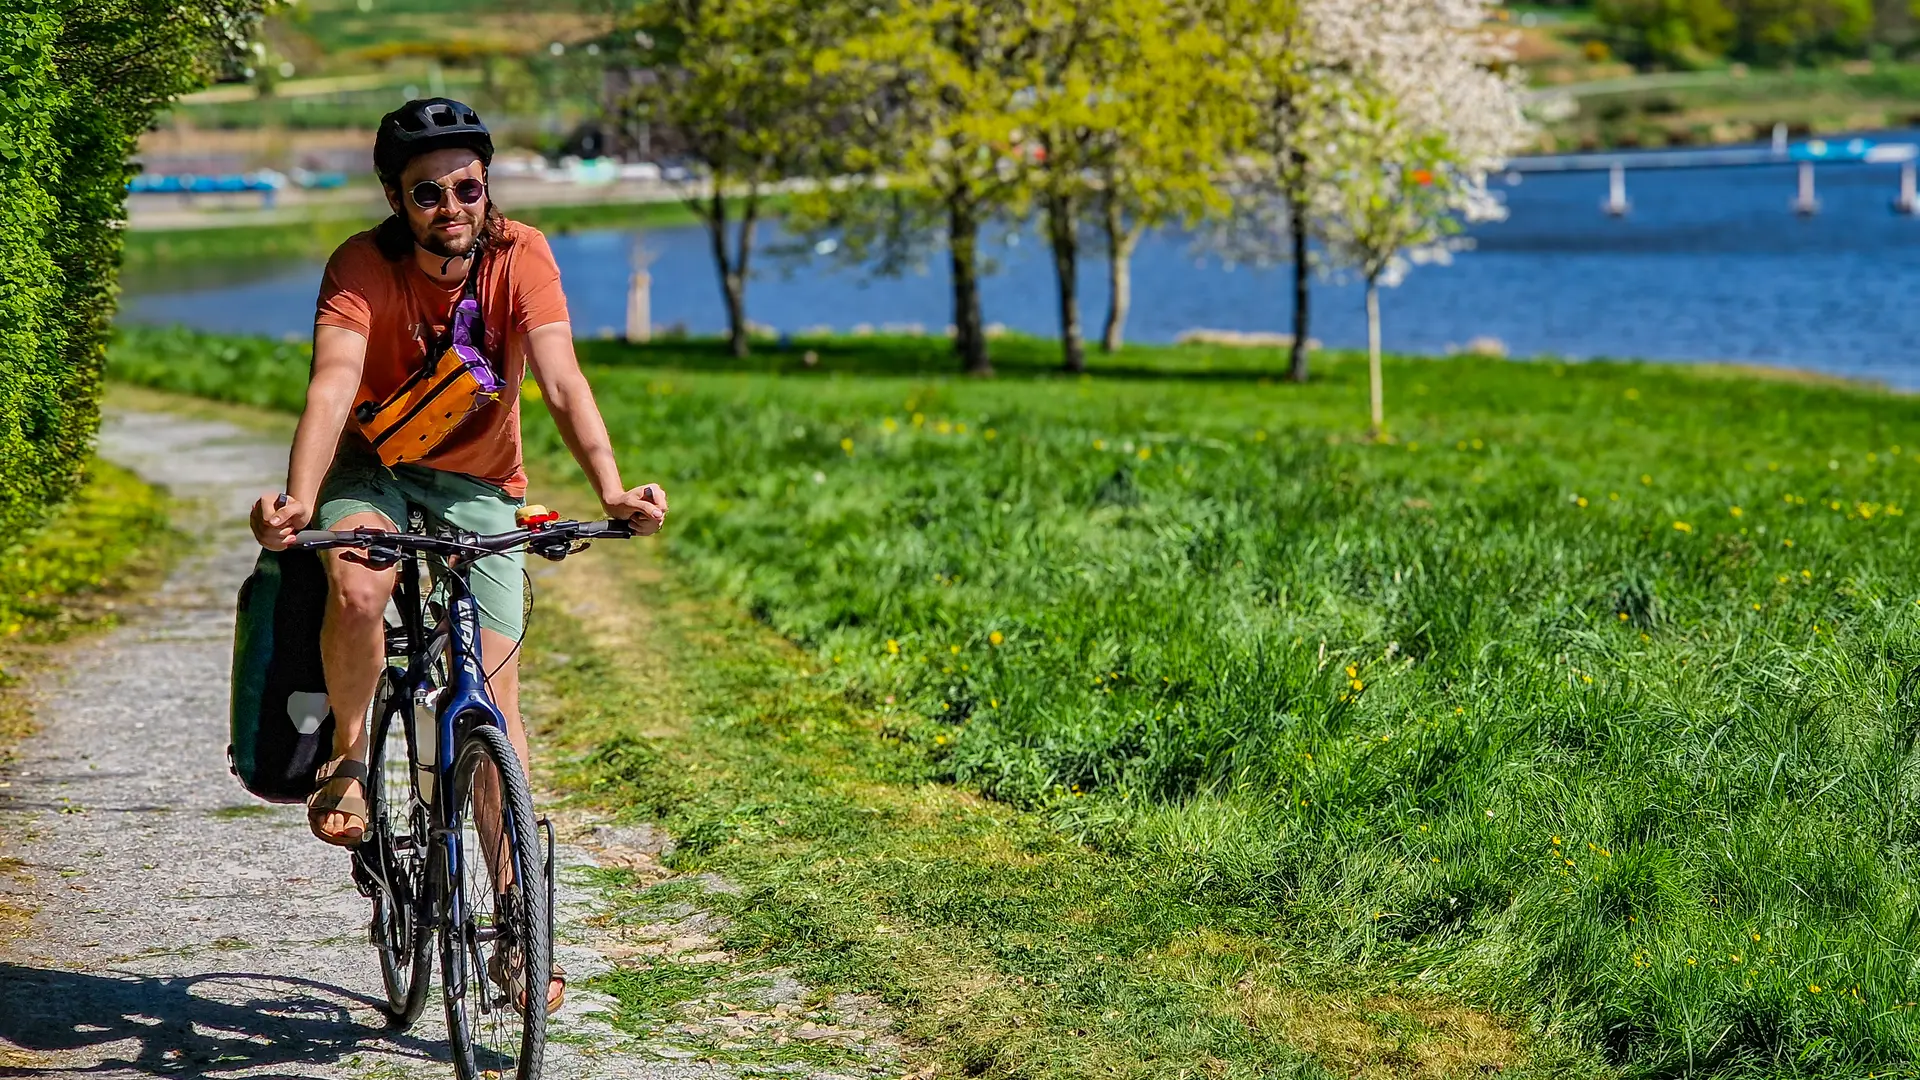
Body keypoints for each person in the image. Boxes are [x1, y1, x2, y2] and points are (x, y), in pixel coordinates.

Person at [247, 98, 666, 1013]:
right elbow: (332, 382)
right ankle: (351, 755)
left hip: (481, 485)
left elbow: (559, 375)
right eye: (426, 191)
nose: (450, 205)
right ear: (397, 200)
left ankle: (518, 926)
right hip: (374, 468)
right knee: (360, 586)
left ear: (487, 185)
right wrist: (301, 502)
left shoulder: (525, 258)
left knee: (495, 710)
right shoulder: (360, 266)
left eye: (466, 185)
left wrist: (612, 491)